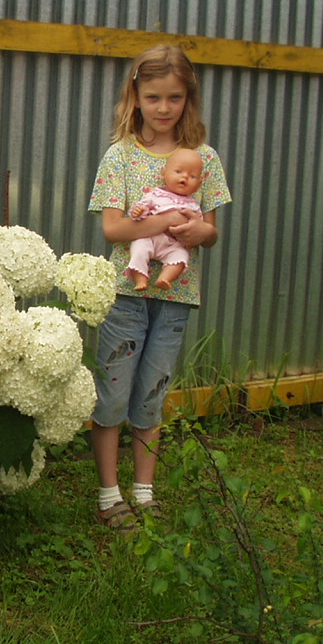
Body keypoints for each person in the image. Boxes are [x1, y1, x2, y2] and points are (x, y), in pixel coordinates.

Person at [87, 44, 231, 533]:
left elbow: (211, 230)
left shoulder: (203, 159)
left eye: (174, 97)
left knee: (151, 395)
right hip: (126, 295)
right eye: (154, 97)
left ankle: (144, 494)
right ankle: (110, 494)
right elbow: (111, 230)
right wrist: (164, 221)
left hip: (176, 299)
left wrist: (198, 233)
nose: (164, 108)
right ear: (136, 96)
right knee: (112, 394)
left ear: (188, 98)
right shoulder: (120, 157)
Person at [125, 148, 206, 291]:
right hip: (150, 238)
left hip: (174, 244)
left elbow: (198, 226)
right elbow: (141, 209)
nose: (184, 177)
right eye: (178, 172)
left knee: (181, 258)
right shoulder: (155, 194)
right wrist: (139, 212)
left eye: (192, 176)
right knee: (138, 249)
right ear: (164, 173)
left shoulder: (194, 205)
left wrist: (195, 232)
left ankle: (165, 278)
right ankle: (140, 279)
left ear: (198, 185)